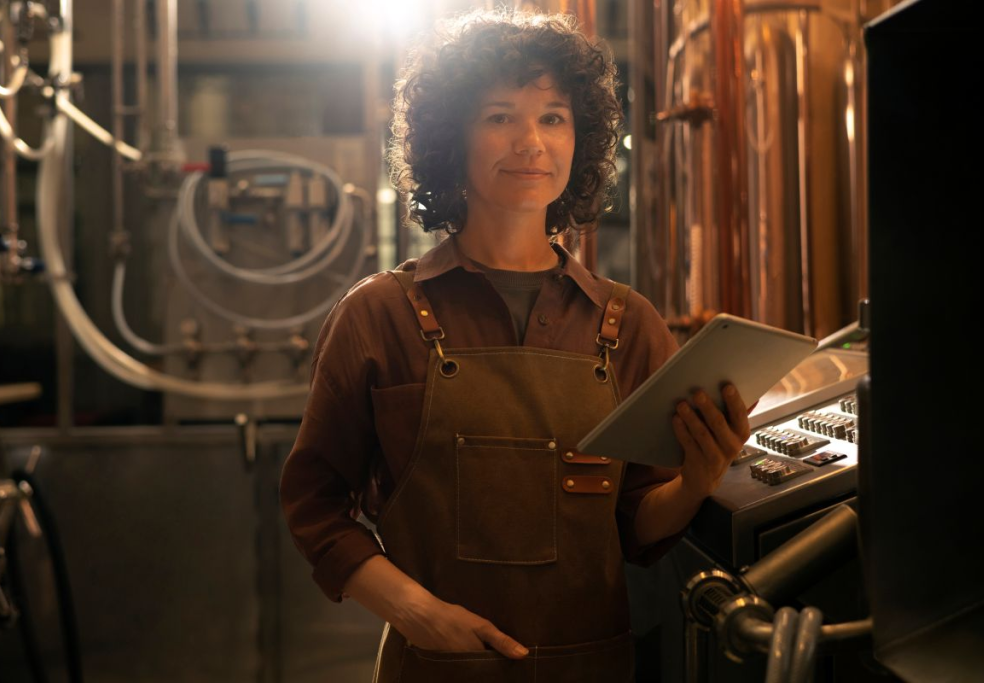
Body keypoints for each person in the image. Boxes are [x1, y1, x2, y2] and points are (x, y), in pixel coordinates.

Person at [279, 11, 750, 682]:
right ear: (451, 139)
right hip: (436, 667)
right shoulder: (378, 315)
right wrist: (416, 613)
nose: (531, 142)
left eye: (553, 118)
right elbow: (315, 506)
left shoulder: (630, 324)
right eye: (499, 116)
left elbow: (634, 524)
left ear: (581, 141)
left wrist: (697, 481)